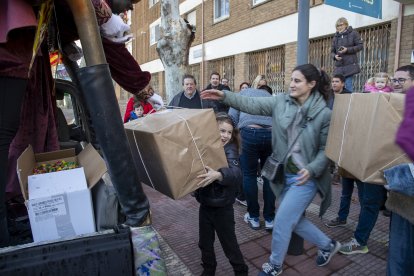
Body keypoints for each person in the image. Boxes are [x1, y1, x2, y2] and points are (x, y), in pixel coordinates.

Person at [202, 64, 340, 275]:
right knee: (293, 219)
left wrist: (311, 169)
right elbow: (251, 104)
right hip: (285, 174)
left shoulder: (324, 114)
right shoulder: (281, 102)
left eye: (297, 80)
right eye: (291, 79)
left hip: (307, 178)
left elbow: (326, 150)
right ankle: (328, 245)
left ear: (312, 84)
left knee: (283, 221)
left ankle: (275, 266)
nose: (291, 84)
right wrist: (225, 95)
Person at [194, 113, 248, 276]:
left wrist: (219, 175)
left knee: (229, 245)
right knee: (205, 243)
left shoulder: (230, 149)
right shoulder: (205, 145)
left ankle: (241, 271)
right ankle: (208, 270)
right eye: (222, 131)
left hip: (222, 208)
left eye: (229, 132)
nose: (225, 135)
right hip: (206, 204)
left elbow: (237, 173)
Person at [228, 88, 275, 231]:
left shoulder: (241, 94)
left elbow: (232, 118)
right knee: (268, 176)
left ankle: (254, 217)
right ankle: (269, 219)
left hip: (249, 133)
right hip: (271, 134)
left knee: (249, 175)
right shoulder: (268, 95)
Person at [386, 65, 414, 275]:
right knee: (398, 252)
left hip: (408, 192)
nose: (395, 84)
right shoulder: (394, 107)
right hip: (400, 198)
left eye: (401, 80)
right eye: (393, 80)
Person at [331, 17, 363, 92]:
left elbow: (360, 46)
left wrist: (347, 50)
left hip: (350, 64)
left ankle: (348, 101)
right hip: (339, 66)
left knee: (348, 83)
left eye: (341, 25)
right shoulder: (335, 37)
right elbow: (332, 51)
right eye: (338, 26)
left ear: (346, 25)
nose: (339, 27)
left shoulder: (353, 33)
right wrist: (335, 57)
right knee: (337, 85)